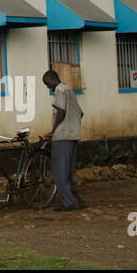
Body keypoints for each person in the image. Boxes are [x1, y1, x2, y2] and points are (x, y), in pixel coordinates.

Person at [42, 70, 85, 210]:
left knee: (60, 172)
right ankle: (76, 199)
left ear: (53, 79)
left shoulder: (60, 90)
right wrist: (72, 125)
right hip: (73, 135)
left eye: (48, 84)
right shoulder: (69, 90)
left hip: (62, 136)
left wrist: (53, 131)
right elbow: (80, 113)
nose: (48, 87)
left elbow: (61, 111)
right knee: (68, 172)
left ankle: (69, 202)